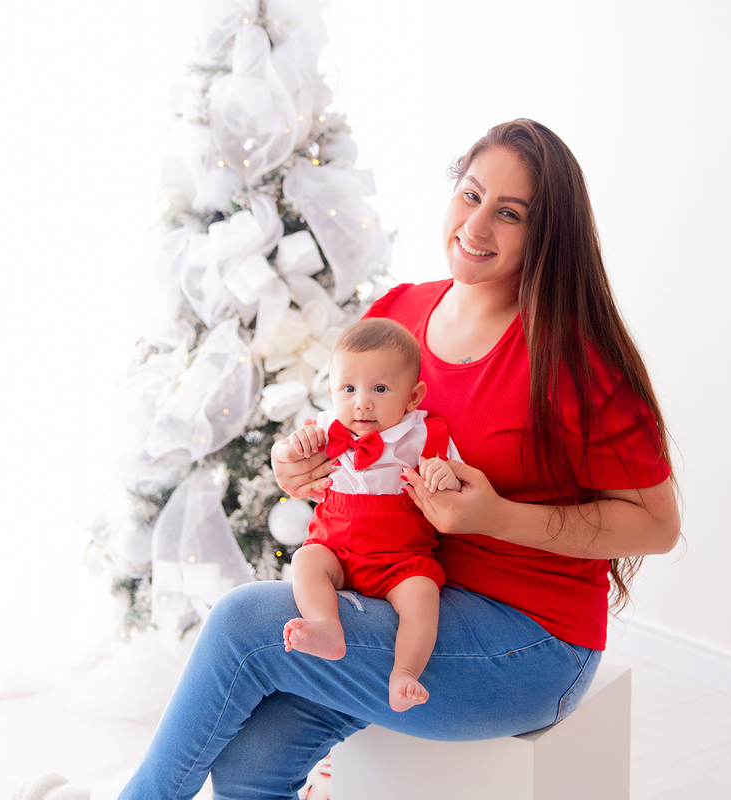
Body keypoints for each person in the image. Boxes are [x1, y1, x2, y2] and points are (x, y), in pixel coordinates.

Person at [118, 119, 680, 800]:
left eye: (510, 213)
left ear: (546, 236)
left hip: (530, 642)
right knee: (250, 765)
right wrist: (301, 473)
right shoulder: (398, 315)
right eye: (471, 195)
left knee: (243, 625)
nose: (477, 225)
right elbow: (352, 448)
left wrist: (496, 517)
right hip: (392, 595)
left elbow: (657, 526)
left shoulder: (573, 357)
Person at [275, 317, 461, 713]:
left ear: (412, 397)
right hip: (336, 550)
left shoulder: (425, 435)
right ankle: (327, 626)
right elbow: (292, 459)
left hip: (400, 560)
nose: (362, 402)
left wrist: (445, 474)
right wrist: (291, 447)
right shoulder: (324, 428)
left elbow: (457, 483)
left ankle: (404, 673)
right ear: (330, 392)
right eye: (348, 389)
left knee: (422, 595)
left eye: (379, 389)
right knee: (306, 560)